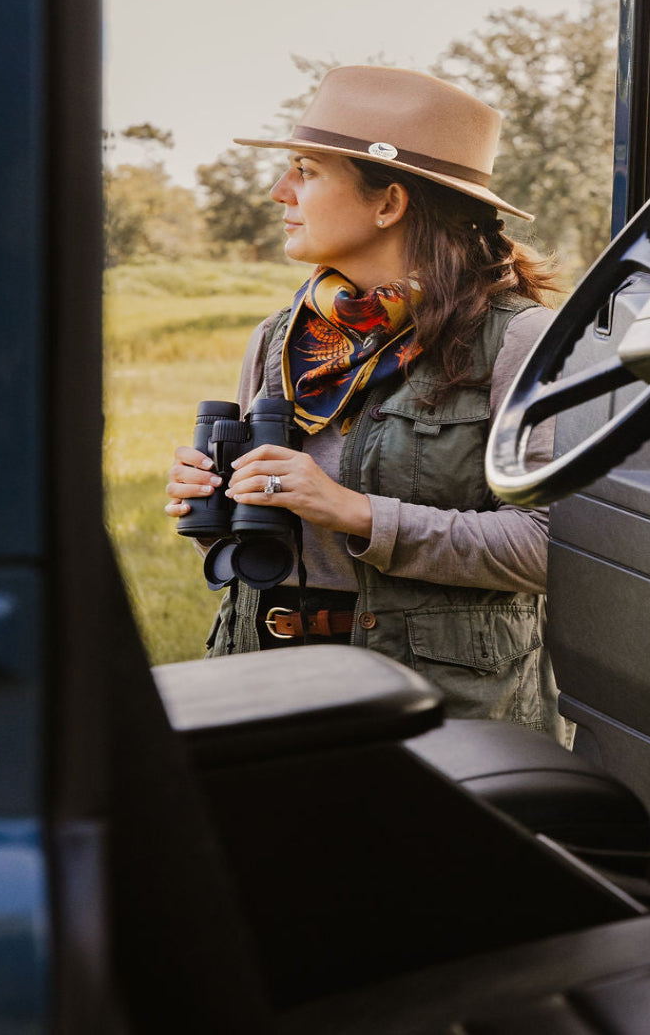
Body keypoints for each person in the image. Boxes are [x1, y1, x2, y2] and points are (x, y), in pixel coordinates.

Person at [165, 65, 569, 743]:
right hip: (263, 681)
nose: (278, 192)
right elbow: (261, 537)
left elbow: (552, 548)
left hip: (437, 713)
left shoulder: (519, 340)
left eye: (307, 172)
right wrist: (214, 505)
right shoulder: (279, 337)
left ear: (388, 203)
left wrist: (354, 512)